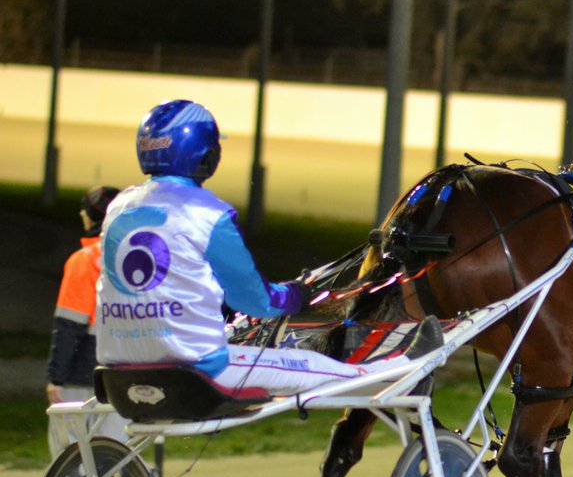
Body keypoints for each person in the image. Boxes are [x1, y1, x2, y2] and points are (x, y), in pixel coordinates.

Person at [96, 99, 441, 396]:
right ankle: (404, 370)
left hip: (116, 366)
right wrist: (295, 296)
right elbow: (255, 301)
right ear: (204, 154)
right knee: (318, 366)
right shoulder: (209, 214)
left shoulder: (118, 207)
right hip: (196, 369)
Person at [46, 185, 129, 455]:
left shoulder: (83, 261)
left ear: (89, 217)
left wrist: (55, 378)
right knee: (114, 453)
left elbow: (68, 326)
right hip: (123, 376)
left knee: (69, 457)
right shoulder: (136, 259)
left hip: (80, 377)